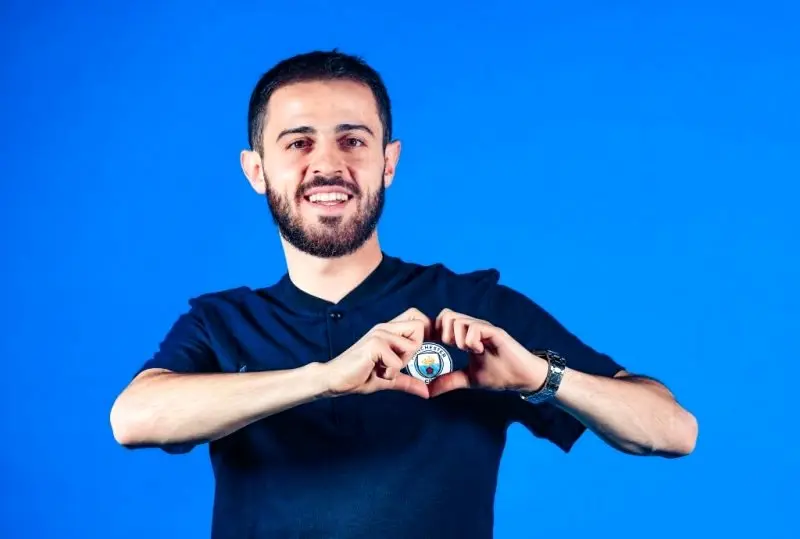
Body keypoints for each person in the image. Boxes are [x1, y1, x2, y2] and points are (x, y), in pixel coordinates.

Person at [110, 50, 698, 539]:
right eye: (298, 143)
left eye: (353, 141)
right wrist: (323, 379)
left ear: (388, 162)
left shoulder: (474, 309)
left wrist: (540, 377)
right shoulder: (222, 322)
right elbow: (133, 418)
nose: (328, 164)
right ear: (256, 170)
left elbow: (672, 431)